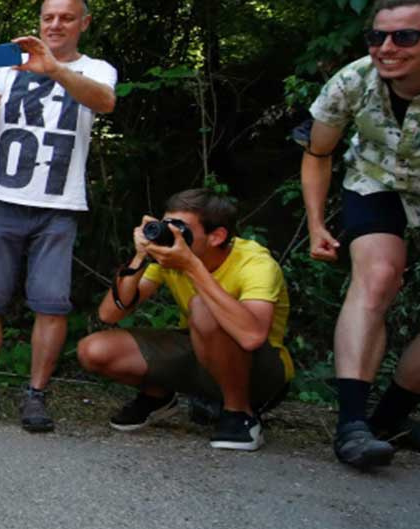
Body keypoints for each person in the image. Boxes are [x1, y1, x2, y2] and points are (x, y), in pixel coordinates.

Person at [302, 0, 420, 469]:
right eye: (377, 37)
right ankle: (351, 426)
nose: (386, 49)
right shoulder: (353, 80)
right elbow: (317, 153)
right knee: (379, 274)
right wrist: (316, 222)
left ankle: (390, 420)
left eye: (405, 37)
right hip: (375, 181)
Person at [0, 0, 117, 431]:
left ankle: (36, 396)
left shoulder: (96, 69)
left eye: (66, 18)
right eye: (49, 17)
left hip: (57, 204)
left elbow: (104, 101)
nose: (55, 25)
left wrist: (53, 69)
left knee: (51, 303)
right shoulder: (7, 71)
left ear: (83, 23)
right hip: (0, 199)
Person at [76, 190, 293, 450]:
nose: (174, 236)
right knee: (94, 350)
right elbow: (110, 314)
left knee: (203, 306)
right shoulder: (170, 259)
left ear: (217, 236)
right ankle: (158, 396)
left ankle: (239, 413)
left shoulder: (255, 263)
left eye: (182, 229)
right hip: (200, 353)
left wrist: (192, 267)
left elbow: (252, 336)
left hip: (261, 372)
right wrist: (141, 255)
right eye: (168, 226)